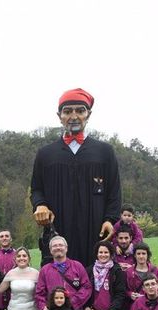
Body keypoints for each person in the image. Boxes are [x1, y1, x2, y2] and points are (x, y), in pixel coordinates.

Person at [31, 88, 122, 267]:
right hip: (57, 232)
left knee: (96, 285)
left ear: (88, 115)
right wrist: (40, 204)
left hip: (95, 232)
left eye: (80, 111)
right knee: (57, 288)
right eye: (67, 111)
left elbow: (114, 191)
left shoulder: (104, 152)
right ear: (59, 116)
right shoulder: (46, 154)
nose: (74, 116)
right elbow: (36, 189)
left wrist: (110, 220)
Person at [35, 236, 92, 310]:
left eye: (61, 245)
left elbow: (86, 287)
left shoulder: (77, 266)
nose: (58, 247)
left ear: (66, 248)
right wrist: (43, 307)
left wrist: (73, 302)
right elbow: (39, 293)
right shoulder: (45, 270)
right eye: (54, 246)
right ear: (50, 250)